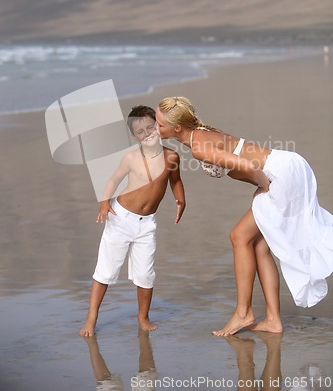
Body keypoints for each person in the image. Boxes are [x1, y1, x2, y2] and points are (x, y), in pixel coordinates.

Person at [155, 96, 333, 337]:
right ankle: (273, 320)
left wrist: (264, 187)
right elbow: (242, 164)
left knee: (239, 236)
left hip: (279, 175)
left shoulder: (199, 146)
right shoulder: (200, 133)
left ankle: (243, 313)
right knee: (259, 245)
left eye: (160, 124)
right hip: (289, 164)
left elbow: (249, 167)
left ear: (177, 128)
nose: (156, 128)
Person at [80, 105, 185, 337]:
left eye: (151, 127)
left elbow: (175, 180)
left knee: (145, 274)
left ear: (158, 126)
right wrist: (104, 203)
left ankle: (143, 317)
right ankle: (91, 318)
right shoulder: (130, 158)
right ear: (134, 136)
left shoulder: (171, 157)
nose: (147, 133)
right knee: (106, 270)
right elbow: (113, 180)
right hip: (121, 218)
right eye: (141, 131)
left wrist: (180, 199)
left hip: (146, 224)